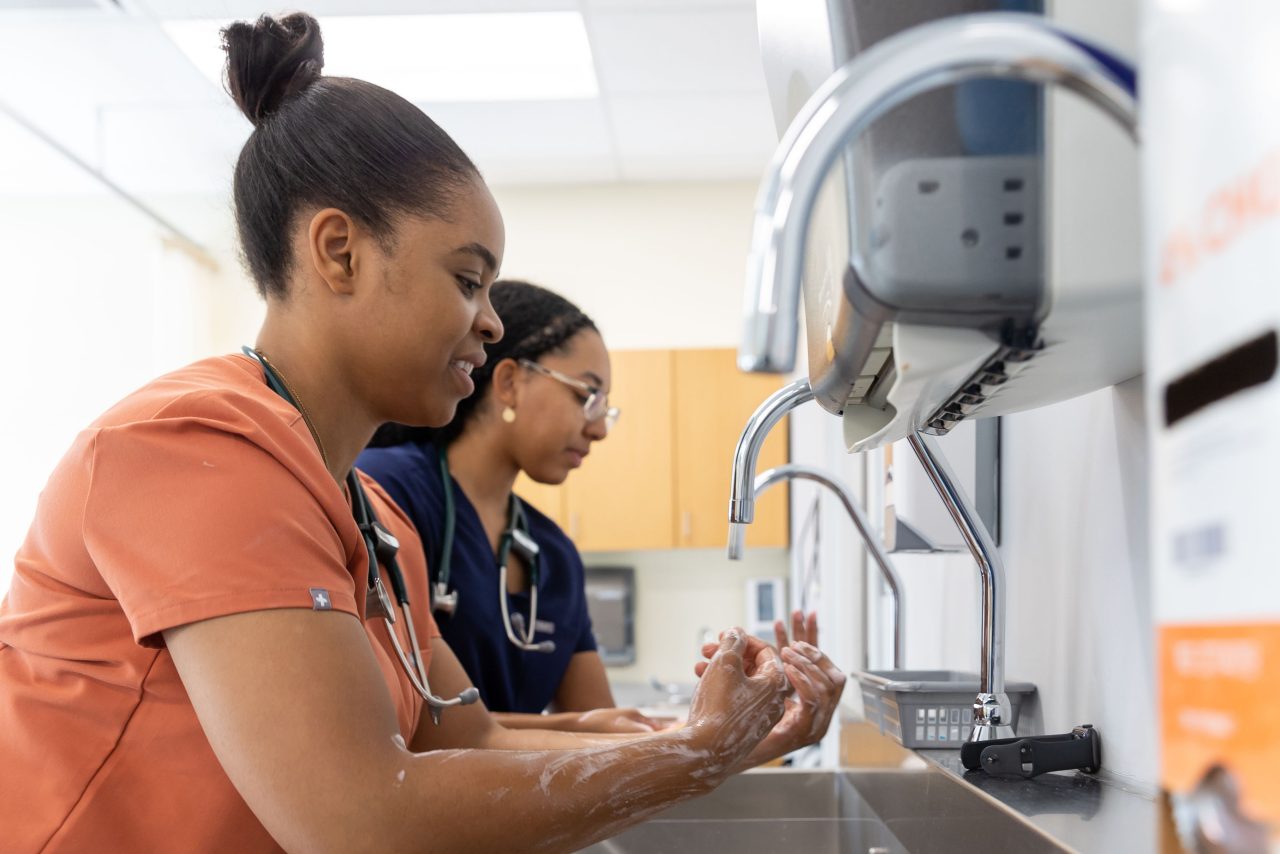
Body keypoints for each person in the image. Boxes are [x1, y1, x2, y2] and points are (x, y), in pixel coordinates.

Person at [0, 13, 845, 853]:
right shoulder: (191, 449)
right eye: (468, 280)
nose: (490, 325)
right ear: (340, 253)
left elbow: (470, 742)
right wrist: (695, 754)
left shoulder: (374, 516)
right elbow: (361, 817)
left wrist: (726, 744)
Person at [358, 281, 821, 735]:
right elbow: (408, 721)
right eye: (587, 396)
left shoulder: (553, 554)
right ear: (510, 383)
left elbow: (609, 738)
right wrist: (578, 726)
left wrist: (760, 722)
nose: (599, 429)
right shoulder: (384, 489)